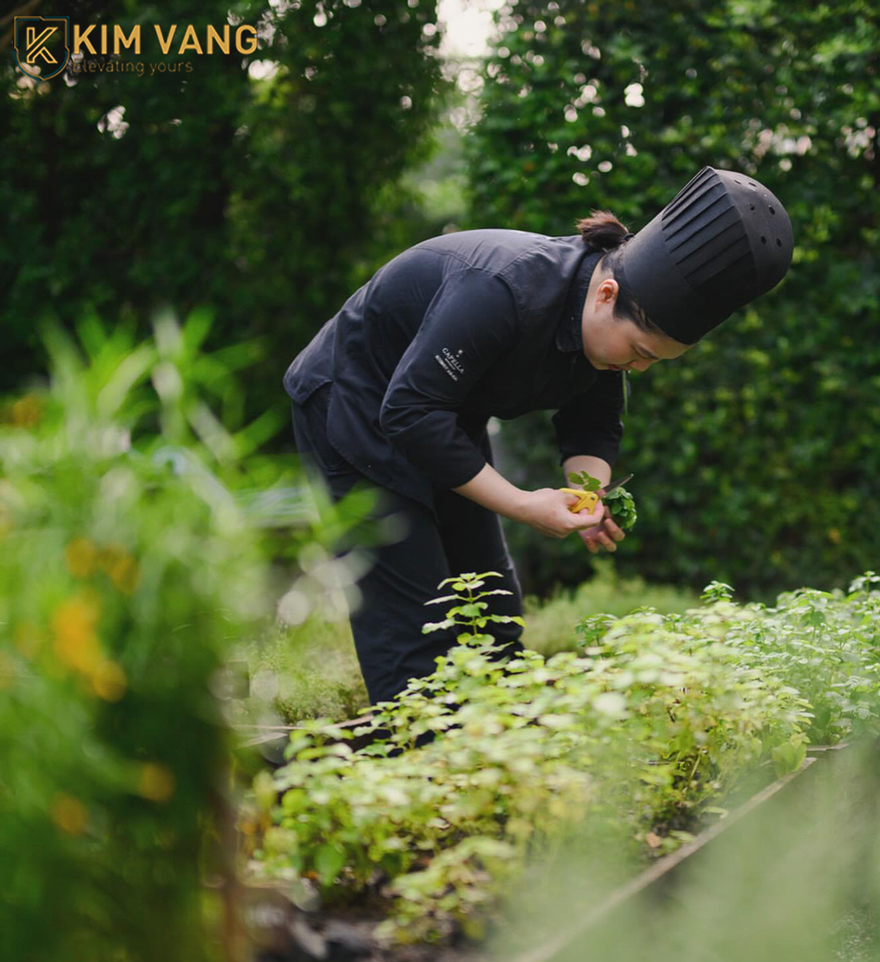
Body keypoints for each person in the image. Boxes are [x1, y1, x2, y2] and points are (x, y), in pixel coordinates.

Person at [286, 166, 793, 707]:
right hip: (354, 405)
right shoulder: (502, 288)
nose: (639, 370)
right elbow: (409, 412)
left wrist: (586, 497)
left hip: (440, 419)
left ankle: (506, 768)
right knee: (418, 632)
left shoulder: (602, 339)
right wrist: (525, 505)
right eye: (641, 353)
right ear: (606, 294)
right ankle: (430, 773)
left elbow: (593, 424)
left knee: (493, 614)